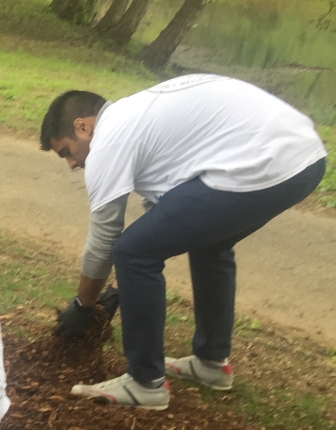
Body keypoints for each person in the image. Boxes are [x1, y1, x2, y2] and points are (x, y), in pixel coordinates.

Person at [41, 75, 327, 410]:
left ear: (83, 127)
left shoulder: (109, 139)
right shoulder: (138, 117)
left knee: (132, 250)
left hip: (267, 159)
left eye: (66, 151)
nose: (72, 163)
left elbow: (106, 238)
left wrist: (83, 306)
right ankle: (210, 363)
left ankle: (145, 383)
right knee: (209, 244)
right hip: (304, 158)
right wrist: (122, 287)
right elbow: (168, 217)